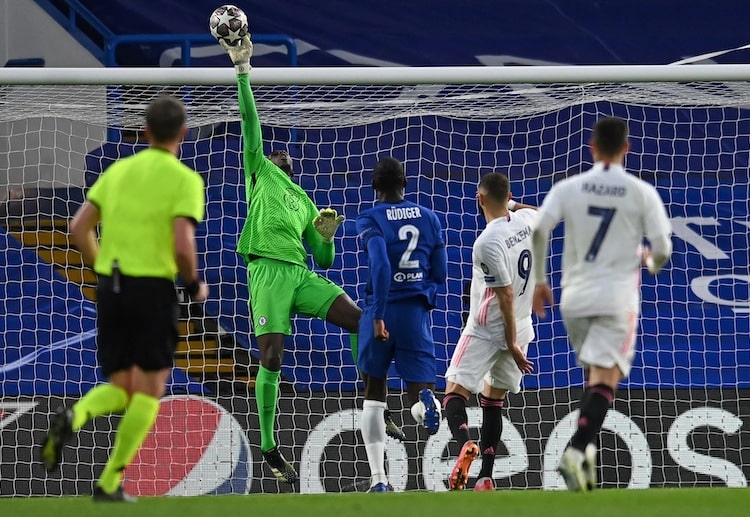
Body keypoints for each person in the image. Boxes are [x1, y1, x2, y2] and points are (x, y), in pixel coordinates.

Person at [40, 95, 208, 502]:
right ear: (184, 133)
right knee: (148, 391)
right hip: (152, 290)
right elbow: (182, 245)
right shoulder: (184, 179)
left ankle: (76, 414)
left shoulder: (117, 171)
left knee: (123, 386)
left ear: (144, 132)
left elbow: (79, 228)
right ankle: (109, 483)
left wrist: (102, 270)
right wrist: (193, 285)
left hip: (112, 289)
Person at [219, 36, 371, 485]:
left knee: (360, 320)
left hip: (301, 275)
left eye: (285, 154)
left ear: (293, 167)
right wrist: (243, 72)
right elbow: (250, 122)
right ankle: (268, 446)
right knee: (271, 356)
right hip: (267, 271)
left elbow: (324, 260)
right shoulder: (259, 171)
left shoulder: (304, 201)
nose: (280, 151)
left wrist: (326, 234)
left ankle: (371, 402)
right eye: (275, 150)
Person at [531, 116, 672, 492]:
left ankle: (586, 461)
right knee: (606, 381)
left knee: (593, 378)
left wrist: (540, 281)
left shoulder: (569, 187)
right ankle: (576, 452)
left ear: (591, 148)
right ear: (626, 148)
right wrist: (650, 262)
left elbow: (540, 228)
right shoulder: (640, 192)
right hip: (616, 299)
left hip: (574, 300)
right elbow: (663, 247)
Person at [355, 157, 448, 492]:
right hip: (414, 313)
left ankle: (379, 479)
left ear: (374, 186)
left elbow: (380, 265)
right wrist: (421, 291)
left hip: (380, 311)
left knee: (373, 395)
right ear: (405, 183)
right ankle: (425, 406)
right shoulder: (429, 217)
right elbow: (441, 272)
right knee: (420, 391)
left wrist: (379, 314)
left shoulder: (370, 218)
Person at [442, 172, 537, 491]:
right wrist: (513, 205)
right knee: (493, 400)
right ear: (508, 197)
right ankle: (485, 476)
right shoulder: (526, 221)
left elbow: (504, 294)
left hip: (487, 329)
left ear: (480, 199)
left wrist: (509, 343)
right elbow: (541, 213)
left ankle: (465, 443)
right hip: (521, 326)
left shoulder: (486, 242)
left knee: (454, 392)